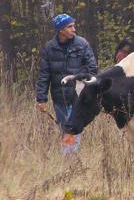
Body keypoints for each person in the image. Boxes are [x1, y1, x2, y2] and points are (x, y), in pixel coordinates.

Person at [36, 13, 97, 154]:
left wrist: (79, 78)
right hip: (59, 98)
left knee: (73, 128)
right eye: (70, 27)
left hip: (78, 97)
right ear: (61, 30)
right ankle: (68, 155)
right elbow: (44, 75)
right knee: (65, 128)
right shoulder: (49, 48)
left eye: (74, 26)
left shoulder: (82, 44)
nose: (74, 29)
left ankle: (69, 157)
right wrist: (41, 99)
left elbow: (92, 68)